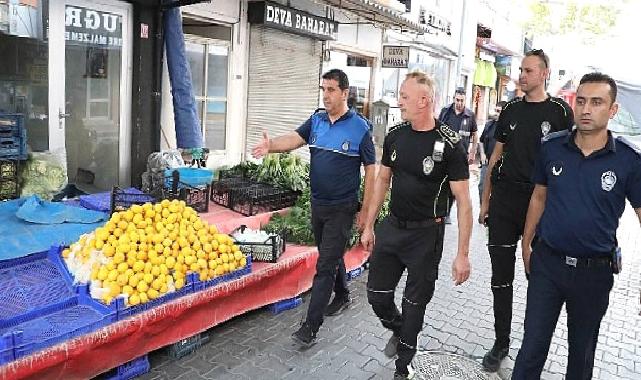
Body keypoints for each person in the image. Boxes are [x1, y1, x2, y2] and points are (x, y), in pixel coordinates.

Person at [512, 72, 641, 379]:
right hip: (548, 264)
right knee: (531, 349)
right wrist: (526, 243)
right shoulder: (553, 147)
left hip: (593, 273)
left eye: (596, 103)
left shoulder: (628, 161)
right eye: (580, 101)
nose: (585, 109)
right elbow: (539, 197)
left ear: (612, 110)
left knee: (581, 356)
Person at [252, 69, 376, 347]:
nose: (326, 95)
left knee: (324, 266)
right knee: (329, 257)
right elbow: (294, 139)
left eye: (332, 90)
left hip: (343, 208)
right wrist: (270, 145)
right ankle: (343, 294)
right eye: (324, 89)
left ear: (345, 93)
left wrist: (366, 214)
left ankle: (310, 327)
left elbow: (372, 173)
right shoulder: (317, 120)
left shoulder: (360, 128)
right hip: (318, 204)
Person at [360, 71, 472, 379]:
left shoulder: (450, 145)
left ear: (424, 101)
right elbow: (383, 180)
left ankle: (403, 365)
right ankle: (400, 331)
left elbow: (463, 202)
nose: (400, 102)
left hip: (427, 234)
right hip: (393, 227)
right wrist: (369, 224)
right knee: (377, 296)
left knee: (414, 305)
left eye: (405, 97)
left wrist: (462, 254)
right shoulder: (396, 135)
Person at [478, 49, 575, 372]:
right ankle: (501, 341)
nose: (522, 75)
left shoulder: (561, 111)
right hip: (505, 202)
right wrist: (486, 200)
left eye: (529, 70)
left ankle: (532, 349)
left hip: (542, 204)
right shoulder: (511, 109)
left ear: (544, 74)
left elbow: (571, 162)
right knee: (500, 278)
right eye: (521, 69)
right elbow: (495, 158)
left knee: (539, 278)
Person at [438, 88, 478, 164]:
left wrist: (472, 153)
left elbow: (475, 135)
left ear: (466, 100)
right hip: (445, 154)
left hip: (461, 156)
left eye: (462, 100)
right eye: (457, 100)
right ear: (454, 99)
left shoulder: (470, 115)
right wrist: (437, 151)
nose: (459, 103)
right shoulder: (445, 112)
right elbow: (438, 131)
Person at [478, 101, 506, 202]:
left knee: (496, 191)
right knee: (482, 187)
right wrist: (482, 154)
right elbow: (481, 141)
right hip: (487, 162)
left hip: (500, 165)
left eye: (499, 111)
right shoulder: (489, 125)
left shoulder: (507, 129)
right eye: (496, 110)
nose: (496, 113)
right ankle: (483, 210)